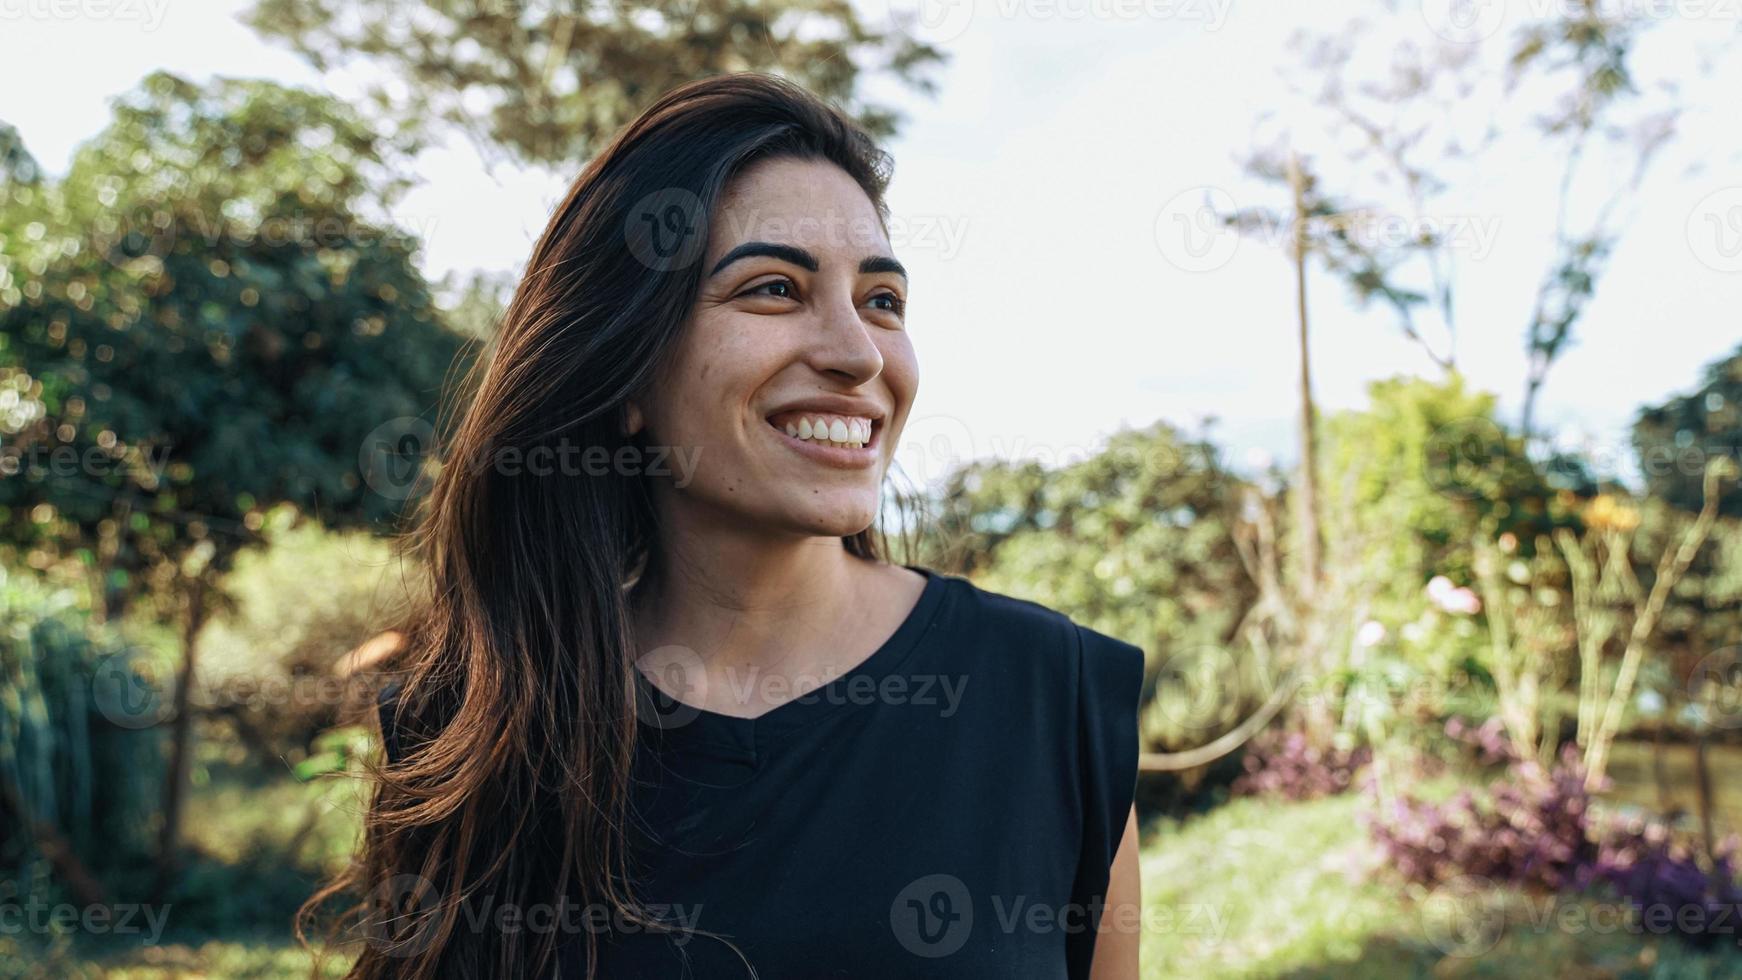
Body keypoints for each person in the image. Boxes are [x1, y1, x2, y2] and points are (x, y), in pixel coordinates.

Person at [301, 72, 1145, 979]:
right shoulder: (471, 723)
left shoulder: (1053, 700)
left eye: (882, 300)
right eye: (775, 289)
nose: (858, 354)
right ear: (625, 374)